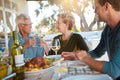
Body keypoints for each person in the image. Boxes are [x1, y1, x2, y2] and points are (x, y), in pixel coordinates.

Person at [62, 0, 120, 79]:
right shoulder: (107, 30)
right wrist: (76, 55)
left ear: (106, 6)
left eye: (96, 8)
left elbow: (115, 70)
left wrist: (85, 59)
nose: (95, 11)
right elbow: (97, 52)